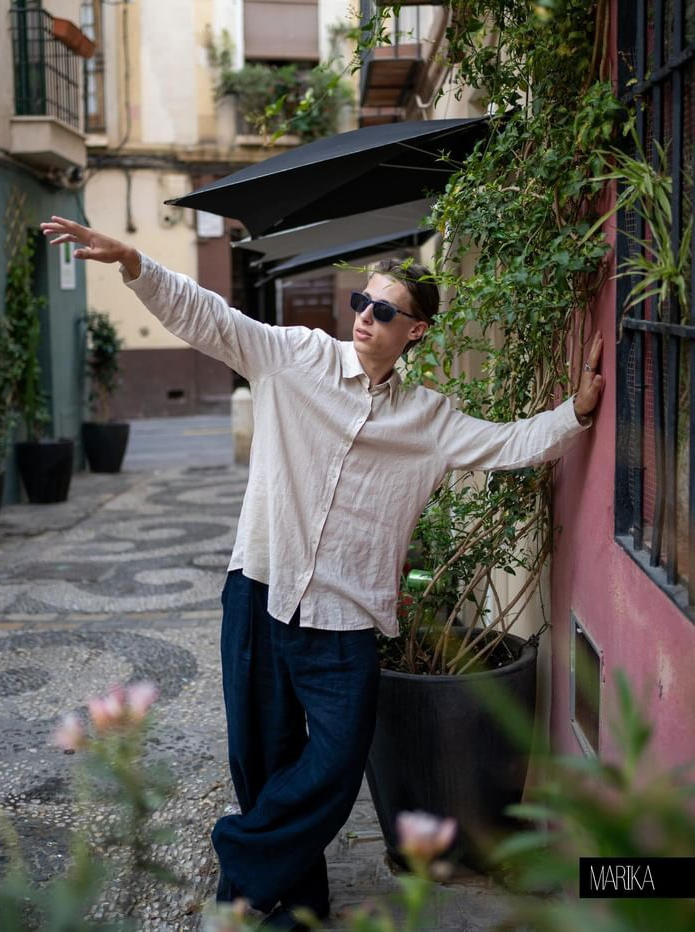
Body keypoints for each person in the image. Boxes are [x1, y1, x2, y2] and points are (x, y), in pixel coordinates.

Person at [41, 216, 604, 931]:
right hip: (259, 594)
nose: (366, 317)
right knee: (263, 763)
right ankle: (294, 901)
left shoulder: (428, 420)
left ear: (418, 331)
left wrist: (576, 414)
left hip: (346, 621)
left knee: (336, 769)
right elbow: (211, 317)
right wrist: (136, 265)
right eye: (360, 304)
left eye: (385, 310)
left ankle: (239, 859)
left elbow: (508, 443)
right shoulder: (295, 358)